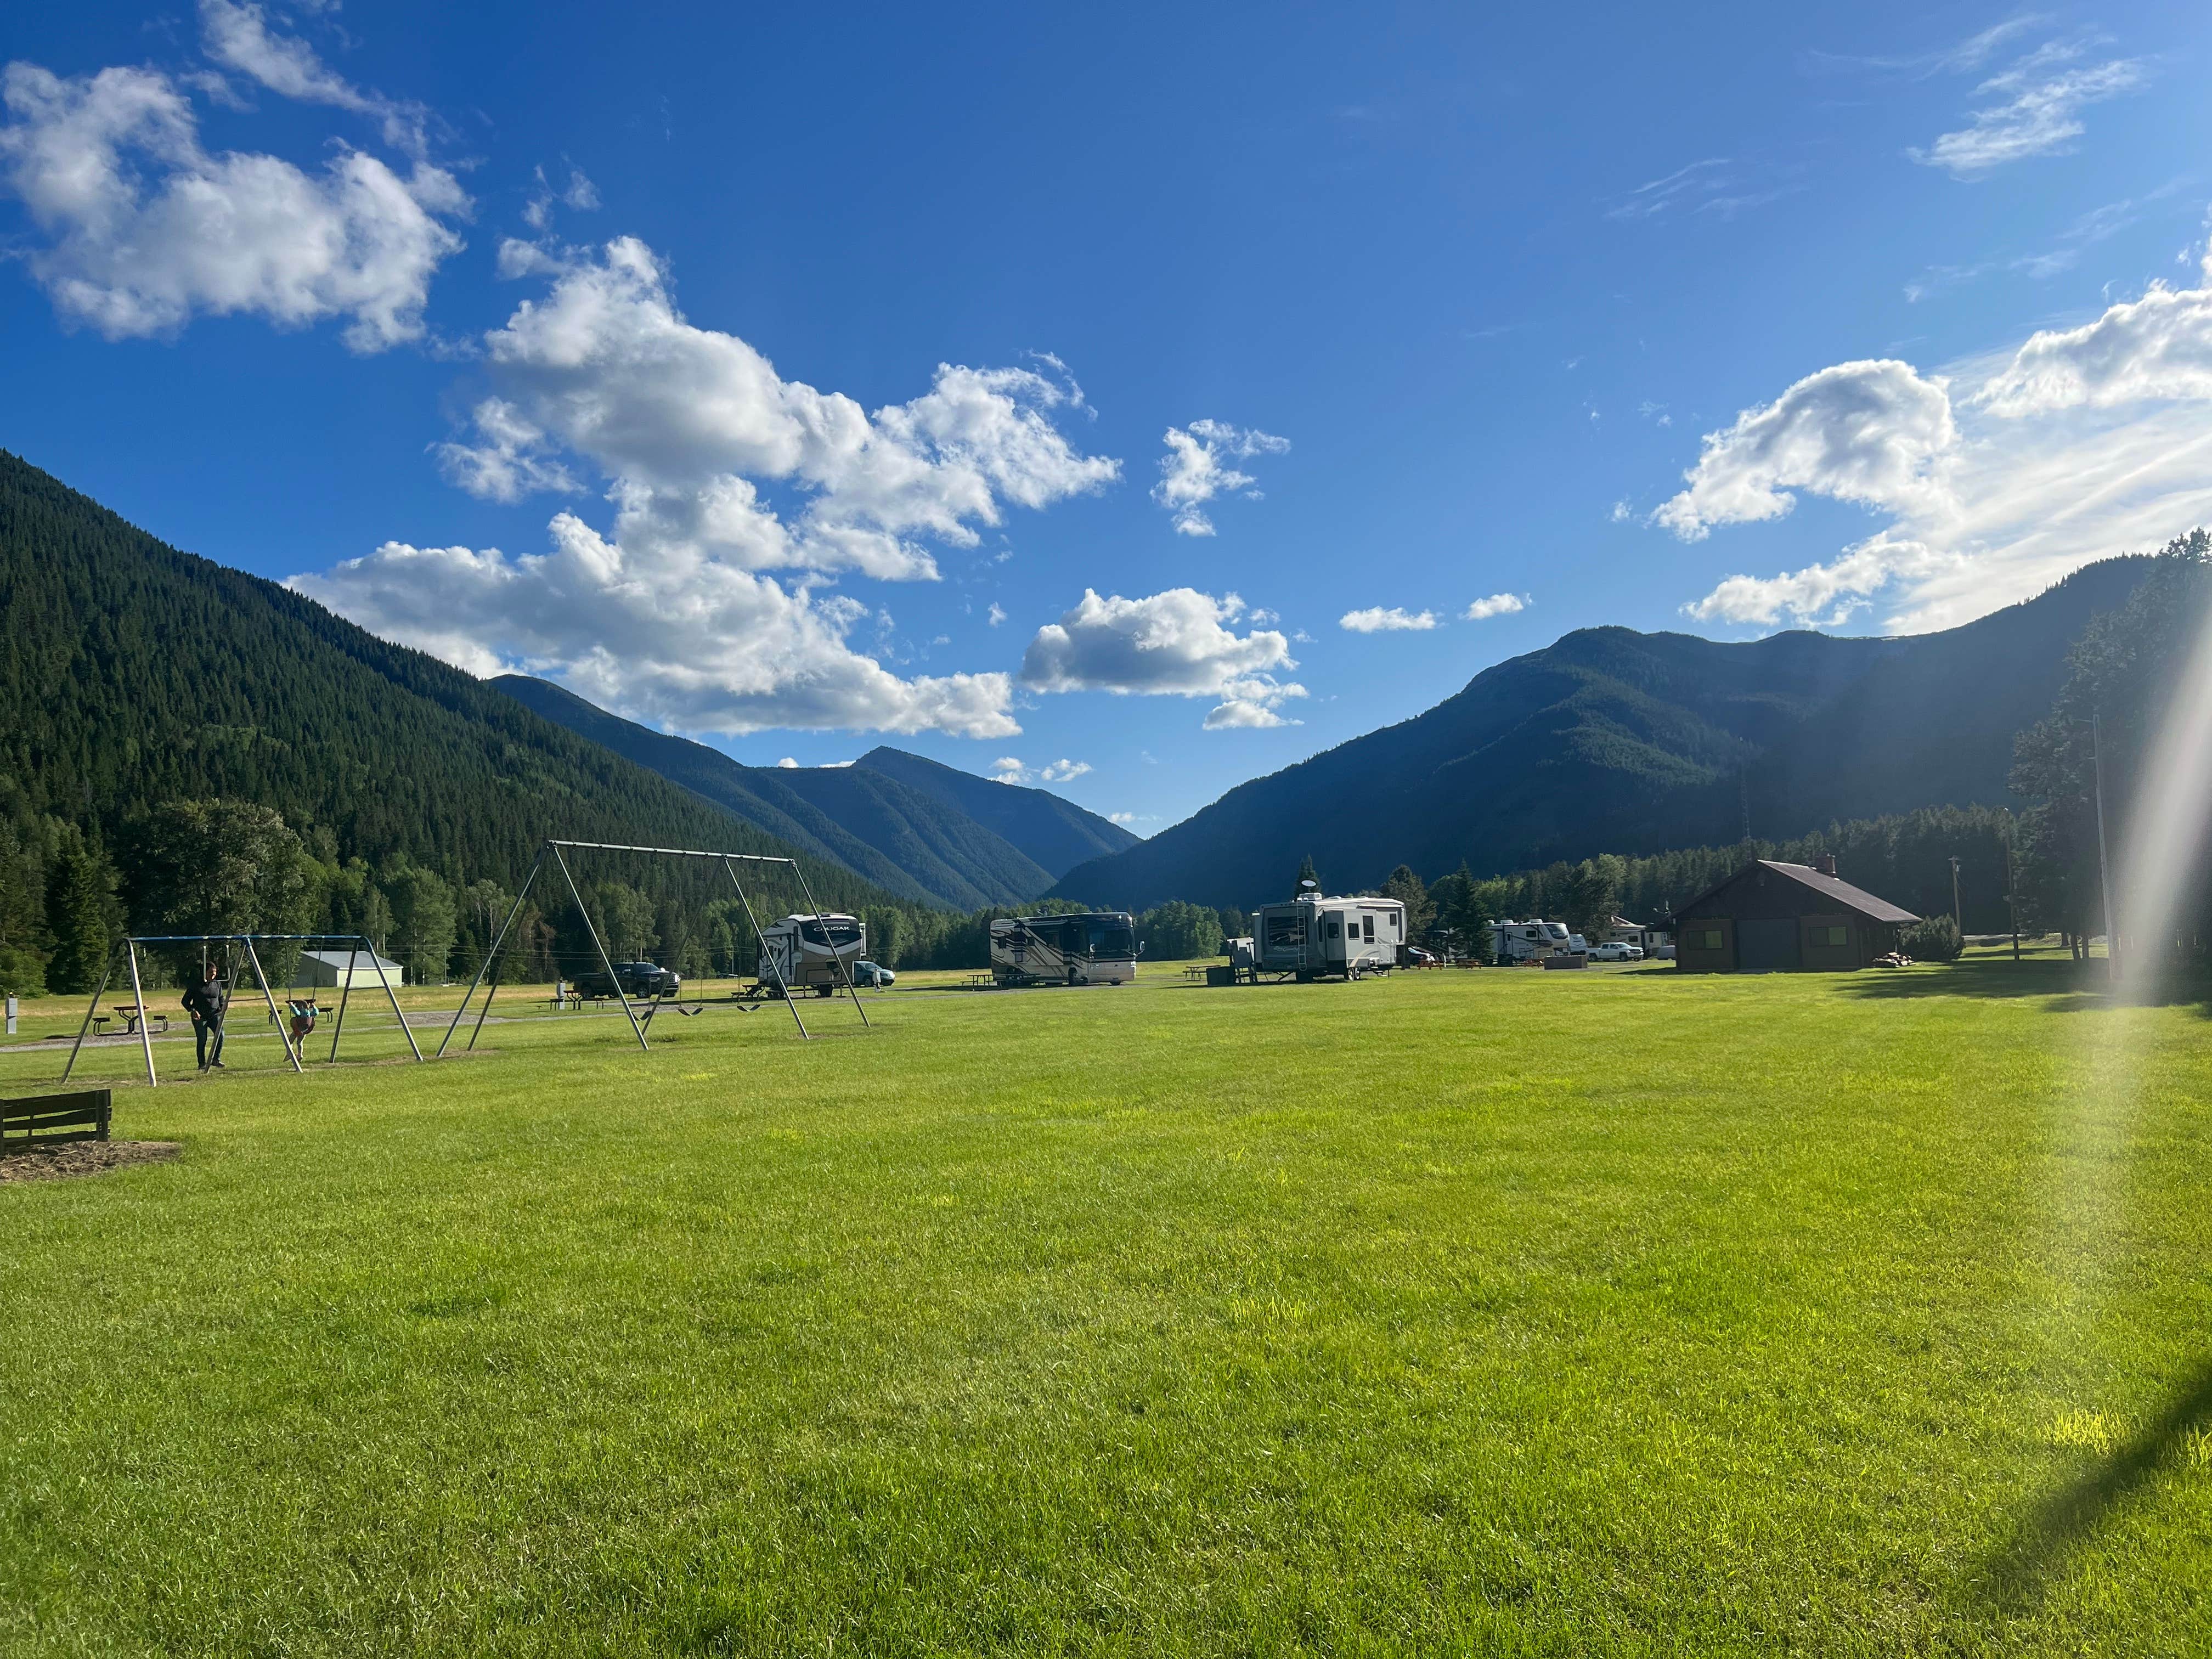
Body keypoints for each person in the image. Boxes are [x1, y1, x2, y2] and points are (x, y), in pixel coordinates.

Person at [182, 966, 228, 1071]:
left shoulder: (217, 984)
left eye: (215, 972)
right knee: (203, 1039)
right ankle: (202, 1063)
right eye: (211, 972)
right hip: (200, 1017)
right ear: (205, 972)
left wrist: (223, 1007)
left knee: (221, 1035)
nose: (213, 974)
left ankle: (216, 1059)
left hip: (214, 1015)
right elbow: (185, 1001)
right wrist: (192, 1010)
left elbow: (221, 998)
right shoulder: (195, 985)